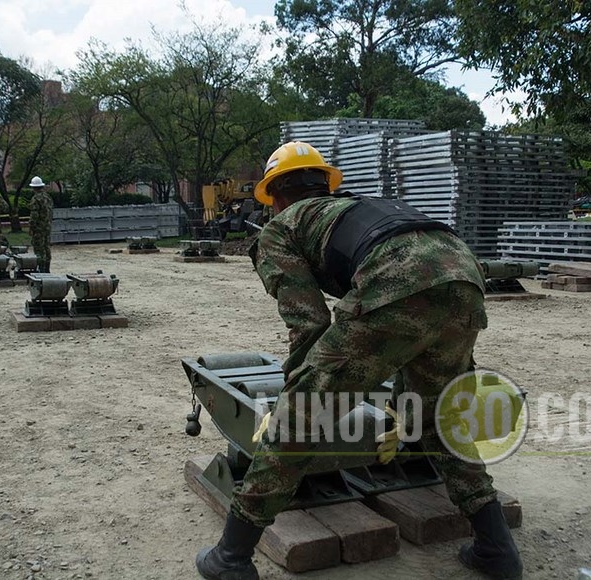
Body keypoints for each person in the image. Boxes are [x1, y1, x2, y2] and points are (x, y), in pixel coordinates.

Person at [195, 142, 522, 580]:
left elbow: (309, 323)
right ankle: (496, 550)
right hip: (464, 276)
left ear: (275, 197)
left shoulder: (280, 228)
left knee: (299, 421)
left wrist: (299, 390)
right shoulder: (355, 209)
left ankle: (231, 558)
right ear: (325, 185)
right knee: (439, 419)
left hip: (394, 279)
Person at [28, 176, 53, 273]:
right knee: (46, 248)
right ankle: (47, 269)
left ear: (33, 188)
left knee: (39, 249)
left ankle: (41, 270)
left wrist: (31, 227)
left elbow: (34, 215)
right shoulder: (48, 197)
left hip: (39, 229)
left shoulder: (35, 199)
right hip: (47, 227)